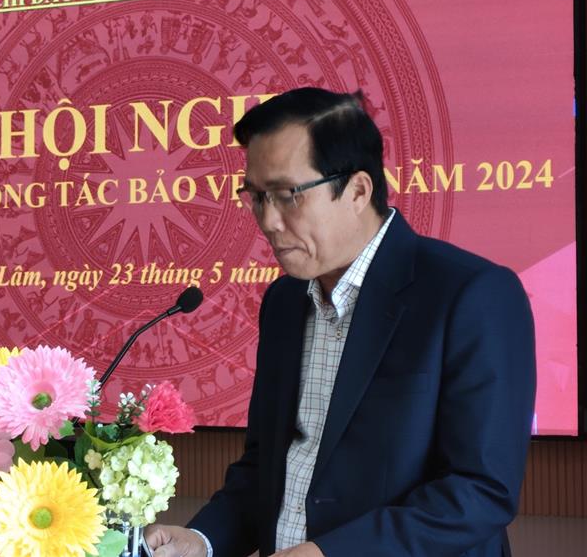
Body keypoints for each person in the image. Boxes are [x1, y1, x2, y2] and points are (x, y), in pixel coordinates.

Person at [145, 88, 536, 557]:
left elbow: (480, 491)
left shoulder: (471, 295)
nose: (269, 221)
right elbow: (267, 467)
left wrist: (330, 552)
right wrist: (203, 540)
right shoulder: (285, 301)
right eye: (257, 197)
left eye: (288, 196)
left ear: (357, 191)